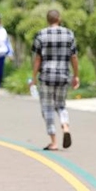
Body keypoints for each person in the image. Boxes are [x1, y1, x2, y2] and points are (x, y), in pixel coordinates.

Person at [29, 10, 79, 151]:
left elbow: (37, 58)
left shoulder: (41, 34)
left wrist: (33, 78)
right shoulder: (69, 34)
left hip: (46, 76)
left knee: (47, 108)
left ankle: (54, 141)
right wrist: (76, 75)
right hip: (63, 75)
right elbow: (74, 57)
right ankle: (65, 126)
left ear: (47, 20)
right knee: (61, 105)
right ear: (59, 19)